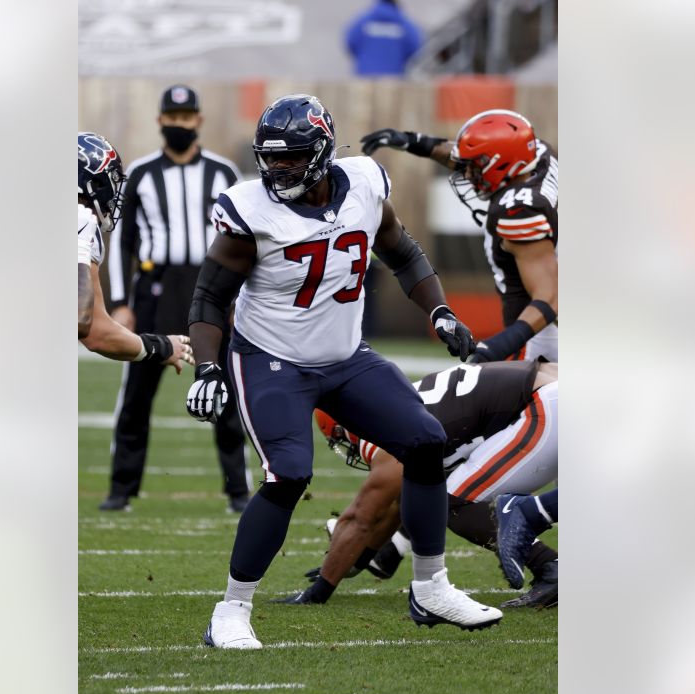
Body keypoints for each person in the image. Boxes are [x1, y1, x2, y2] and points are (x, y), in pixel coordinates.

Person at [185, 93, 502, 649]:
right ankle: (231, 611)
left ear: (323, 151)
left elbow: (401, 251)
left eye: (291, 156)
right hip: (270, 359)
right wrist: (208, 369)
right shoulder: (249, 211)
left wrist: (440, 311)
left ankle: (431, 588)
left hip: (345, 356)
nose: (277, 167)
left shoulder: (364, 183)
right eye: (270, 156)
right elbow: (210, 298)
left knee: (426, 442)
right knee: (288, 474)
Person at [277, 360, 559, 609]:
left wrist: (319, 591)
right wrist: (362, 559)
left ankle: (550, 567)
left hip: (547, 405)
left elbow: (362, 518)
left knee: (450, 502)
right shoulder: (400, 401)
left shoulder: (382, 431)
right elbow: (402, 498)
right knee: (440, 493)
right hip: (553, 386)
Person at [101, 85, 251, 513]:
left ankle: (237, 491)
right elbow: (123, 243)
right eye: (173, 118)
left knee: (223, 392)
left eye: (187, 118)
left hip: (210, 292)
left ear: (198, 121)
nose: (180, 125)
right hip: (154, 293)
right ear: (161, 121)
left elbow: (245, 240)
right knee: (136, 397)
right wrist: (119, 303)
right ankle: (121, 490)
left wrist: (240, 297)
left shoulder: (223, 174)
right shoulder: (142, 174)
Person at [361, 110, 559, 364]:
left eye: (476, 168)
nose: (466, 174)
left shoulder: (519, 210)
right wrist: (413, 141)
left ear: (503, 165)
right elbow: (466, 156)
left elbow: (549, 297)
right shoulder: (538, 153)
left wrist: (497, 346)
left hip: (538, 334)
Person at [78, 131, 192, 370]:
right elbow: (92, 330)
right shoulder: (81, 221)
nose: (111, 193)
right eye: (107, 181)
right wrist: (162, 347)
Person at [344, 0, 424, 77]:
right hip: (394, 79)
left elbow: (350, 41)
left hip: (364, 78)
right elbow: (415, 46)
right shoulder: (404, 24)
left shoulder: (363, 22)